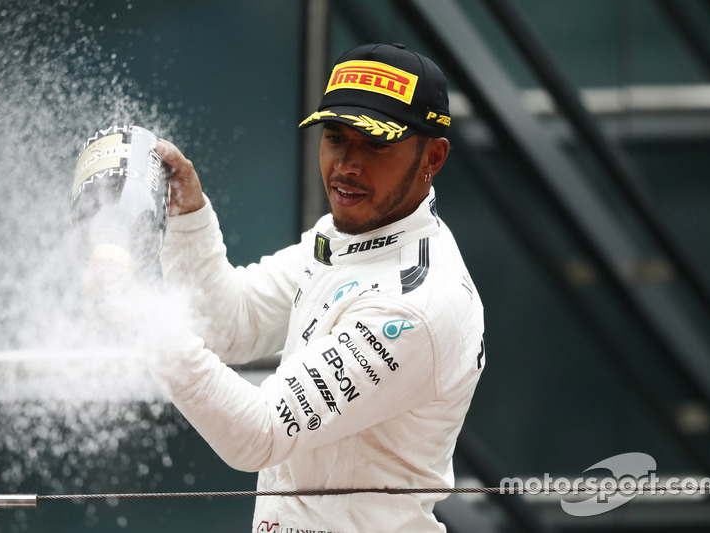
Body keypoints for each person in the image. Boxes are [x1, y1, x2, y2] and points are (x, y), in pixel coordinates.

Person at [148, 43, 485, 533]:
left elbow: (258, 433)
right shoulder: (347, 237)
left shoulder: (415, 304)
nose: (347, 165)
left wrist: (141, 320)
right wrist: (186, 214)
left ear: (433, 154)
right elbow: (229, 325)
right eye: (335, 138)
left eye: (377, 144)